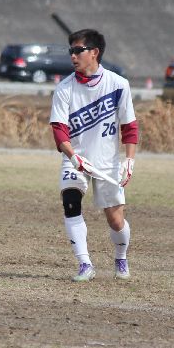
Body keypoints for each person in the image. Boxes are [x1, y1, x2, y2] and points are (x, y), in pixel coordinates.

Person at [49, 29, 138, 282]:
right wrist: (73, 156)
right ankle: (84, 264)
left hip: (107, 161)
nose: (73, 56)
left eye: (78, 50)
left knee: (116, 220)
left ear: (95, 52)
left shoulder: (118, 84)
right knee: (70, 202)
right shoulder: (64, 88)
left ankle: (121, 257)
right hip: (75, 158)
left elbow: (129, 126)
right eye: (71, 51)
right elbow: (59, 129)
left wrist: (129, 160)